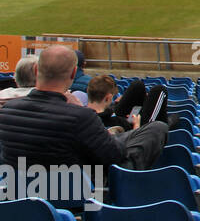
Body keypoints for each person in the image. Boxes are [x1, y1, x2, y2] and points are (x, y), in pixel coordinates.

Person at [0, 44, 166, 175]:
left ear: (37, 70)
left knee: (132, 133)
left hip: (25, 191)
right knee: (157, 128)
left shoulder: (7, 111)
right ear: (73, 72)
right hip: (76, 192)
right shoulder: (80, 116)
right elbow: (114, 156)